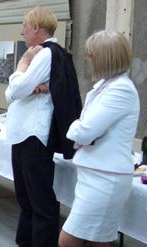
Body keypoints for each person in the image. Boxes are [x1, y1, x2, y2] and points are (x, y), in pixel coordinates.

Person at [5, 6, 82, 247]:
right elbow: (11, 95)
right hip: (24, 136)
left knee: (41, 204)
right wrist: (25, 86)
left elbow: (15, 90)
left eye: (24, 26)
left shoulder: (44, 54)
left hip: (33, 137)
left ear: (36, 28)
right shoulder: (45, 54)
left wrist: (22, 64)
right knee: (27, 201)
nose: (21, 31)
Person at [59, 30, 140, 247]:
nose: (88, 59)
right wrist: (81, 129)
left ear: (105, 57)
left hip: (106, 178)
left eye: (91, 55)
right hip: (98, 174)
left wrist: (75, 126)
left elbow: (84, 131)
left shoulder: (121, 90)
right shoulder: (108, 86)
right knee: (98, 240)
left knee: (69, 240)